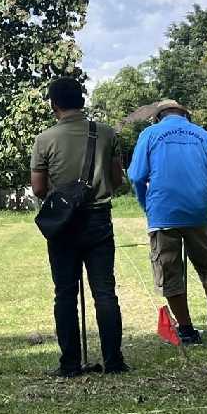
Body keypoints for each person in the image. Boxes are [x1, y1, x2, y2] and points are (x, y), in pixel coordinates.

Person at [30, 77, 129, 377]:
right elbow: (117, 180)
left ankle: (70, 363)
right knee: (105, 292)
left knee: (65, 294)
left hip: (63, 224)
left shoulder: (44, 140)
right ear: (82, 101)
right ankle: (113, 361)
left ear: (53, 104)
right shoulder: (107, 134)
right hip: (98, 219)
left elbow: (38, 188)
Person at [127, 100, 207, 345]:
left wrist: (146, 205)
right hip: (199, 210)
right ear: (186, 115)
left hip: (163, 212)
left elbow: (136, 175)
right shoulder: (204, 136)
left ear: (158, 117)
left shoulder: (149, 134)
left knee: (170, 271)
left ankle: (186, 329)